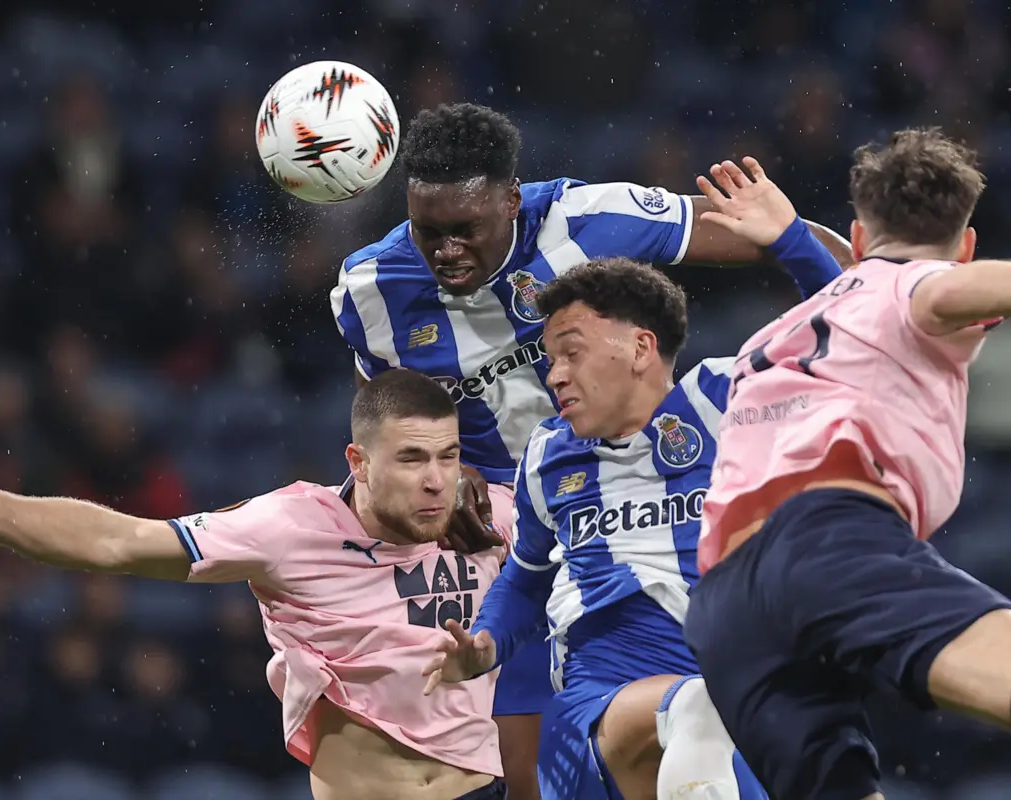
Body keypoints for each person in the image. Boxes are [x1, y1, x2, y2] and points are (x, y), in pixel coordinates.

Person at [330, 102, 853, 797]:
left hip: (644, 513)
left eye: (466, 231)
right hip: (508, 534)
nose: (446, 251)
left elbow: (823, 282)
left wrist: (878, 281)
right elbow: (391, 412)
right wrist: (443, 475)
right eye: (429, 233)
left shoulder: (589, 225)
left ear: (511, 202)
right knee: (527, 776)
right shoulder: (370, 293)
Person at [0, 369, 519, 800]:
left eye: (447, 456)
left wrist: (495, 647)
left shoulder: (493, 516)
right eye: (411, 458)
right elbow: (114, 541)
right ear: (359, 462)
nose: (435, 480)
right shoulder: (290, 527)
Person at [685, 128, 1011, 800]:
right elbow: (936, 294)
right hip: (825, 541)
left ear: (858, 239)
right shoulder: (921, 286)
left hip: (725, 604)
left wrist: (791, 241)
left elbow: (860, 304)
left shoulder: (775, 335)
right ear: (966, 248)